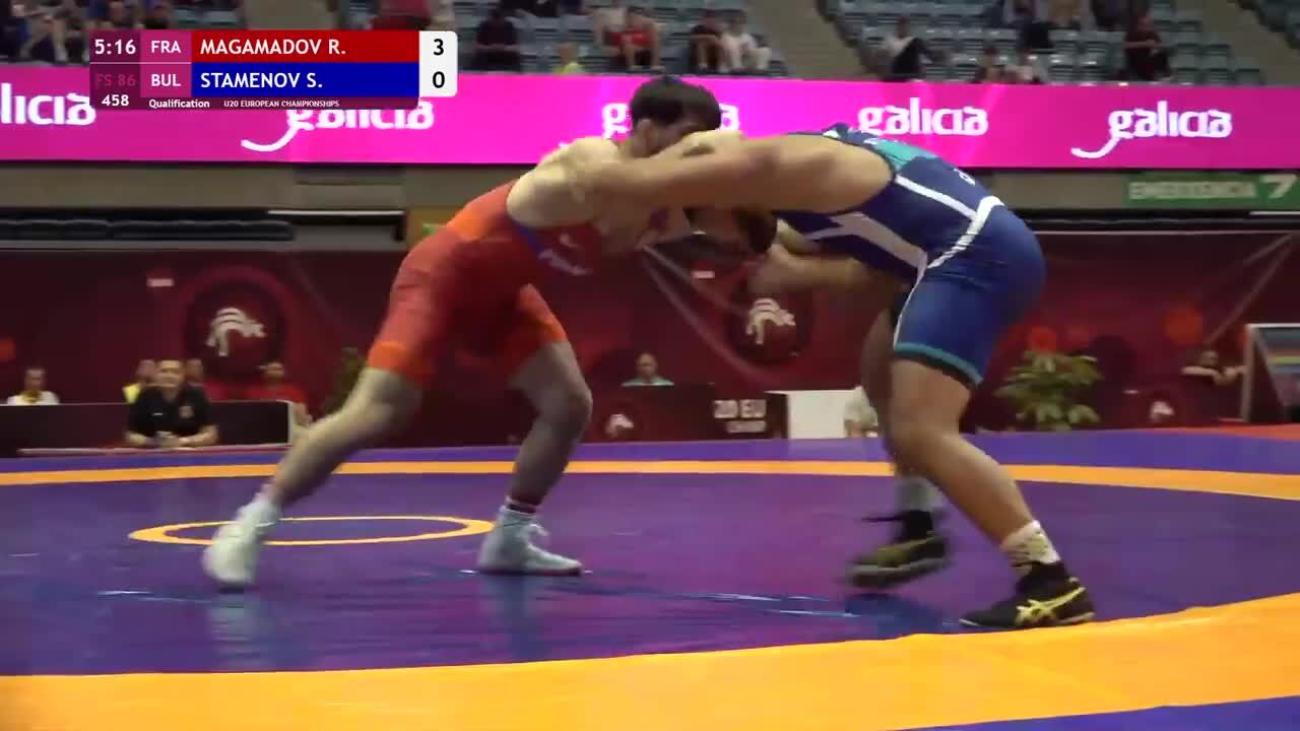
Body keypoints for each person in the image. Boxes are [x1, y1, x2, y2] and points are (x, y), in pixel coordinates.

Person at [203, 77, 727, 589]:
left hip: (503, 297)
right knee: (377, 412)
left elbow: (745, 217)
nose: (697, 153)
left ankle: (510, 537)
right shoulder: (591, 160)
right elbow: (617, 186)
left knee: (569, 405)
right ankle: (250, 524)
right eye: (689, 137)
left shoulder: (659, 210)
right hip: (442, 279)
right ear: (646, 129)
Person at [568, 125, 1094, 630]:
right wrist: (800, 272)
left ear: (723, 194)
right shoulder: (798, 198)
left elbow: (644, 180)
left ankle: (1049, 579)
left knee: (921, 429)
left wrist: (590, 170)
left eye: (704, 222)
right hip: (956, 254)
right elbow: (877, 270)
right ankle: (919, 524)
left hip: (976, 256)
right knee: (877, 369)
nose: (718, 242)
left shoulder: (789, 163)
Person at [126, 359, 219, 449]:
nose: (169, 376)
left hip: (189, 453)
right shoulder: (144, 396)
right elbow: (130, 436)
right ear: (155, 375)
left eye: (175, 372)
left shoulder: (197, 395)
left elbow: (211, 434)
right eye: (164, 371)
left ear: (183, 375)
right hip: (153, 452)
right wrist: (154, 442)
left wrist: (182, 441)